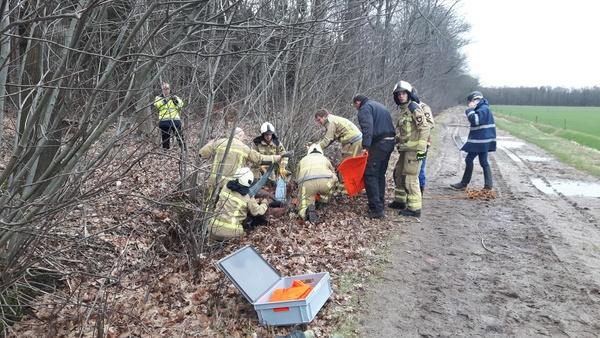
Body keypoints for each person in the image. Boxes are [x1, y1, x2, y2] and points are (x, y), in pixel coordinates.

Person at [388, 81, 430, 217]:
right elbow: (406, 132)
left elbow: (425, 127)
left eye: (403, 93)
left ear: (409, 94)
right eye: (398, 94)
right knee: (398, 174)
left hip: (416, 150)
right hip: (406, 149)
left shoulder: (413, 107)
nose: (401, 96)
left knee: (411, 178)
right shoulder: (404, 110)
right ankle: (400, 201)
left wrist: (421, 148)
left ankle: (414, 208)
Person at [199, 127, 282, 195]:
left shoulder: (219, 142)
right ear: (240, 135)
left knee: (209, 207)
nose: (243, 139)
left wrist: (210, 143)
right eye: (243, 137)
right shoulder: (244, 148)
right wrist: (277, 157)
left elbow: (202, 154)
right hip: (230, 185)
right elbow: (260, 158)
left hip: (214, 181)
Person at [352, 94, 396, 219]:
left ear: (358, 102)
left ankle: (376, 209)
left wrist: (366, 146)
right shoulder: (379, 105)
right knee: (379, 174)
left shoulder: (364, 109)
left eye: (355, 105)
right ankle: (380, 204)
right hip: (390, 142)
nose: (356, 108)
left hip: (379, 144)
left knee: (370, 174)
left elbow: (367, 128)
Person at [450, 91, 496, 190]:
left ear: (475, 100)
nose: (469, 104)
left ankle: (464, 183)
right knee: (483, 161)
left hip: (480, 142)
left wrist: (470, 110)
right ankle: (488, 186)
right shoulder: (484, 108)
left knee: (469, 159)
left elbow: (476, 121)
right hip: (483, 141)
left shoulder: (483, 109)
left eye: (470, 102)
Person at [208, 167, 269, 240]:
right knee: (248, 234)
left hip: (212, 229)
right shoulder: (248, 196)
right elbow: (257, 212)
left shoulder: (225, 187)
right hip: (231, 233)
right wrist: (264, 203)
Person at [314, 109, 362, 194]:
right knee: (347, 165)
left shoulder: (331, 122)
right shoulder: (332, 120)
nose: (319, 122)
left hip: (353, 142)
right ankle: (351, 188)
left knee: (347, 165)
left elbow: (327, 140)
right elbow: (331, 139)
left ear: (324, 117)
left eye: (319, 119)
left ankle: (346, 190)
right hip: (352, 142)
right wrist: (318, 145)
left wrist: (315, 148)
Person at [295, 144, 338, 223]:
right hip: (325, 184)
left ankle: (306, 211)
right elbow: (334, 173)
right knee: (333, 181)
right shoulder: (325, 159)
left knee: (304, 203)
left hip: (307, 185)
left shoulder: (302, 160)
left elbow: (297, 179)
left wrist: (301, 192)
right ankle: (323, 201)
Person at [410, 87, 435, 196]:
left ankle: (420, 191)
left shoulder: (423, 107)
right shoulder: (407, 108)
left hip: (423, 144)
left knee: (420, 168)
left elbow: (430, 124)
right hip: (410, 145)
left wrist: (418, 131)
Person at [154, 82, 185, 150]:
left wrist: (175, 100)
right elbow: (157, 105)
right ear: (162, 90)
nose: (166, 90)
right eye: (164, 89)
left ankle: (183, 149)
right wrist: (166, 100)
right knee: (165, 138)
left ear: (170, 89)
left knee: (179, 136)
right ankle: (165, 151)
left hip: (175, 120)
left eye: (167, 88)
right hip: (164, 121)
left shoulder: (175, 97)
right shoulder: (158, 98)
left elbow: (181, 104)